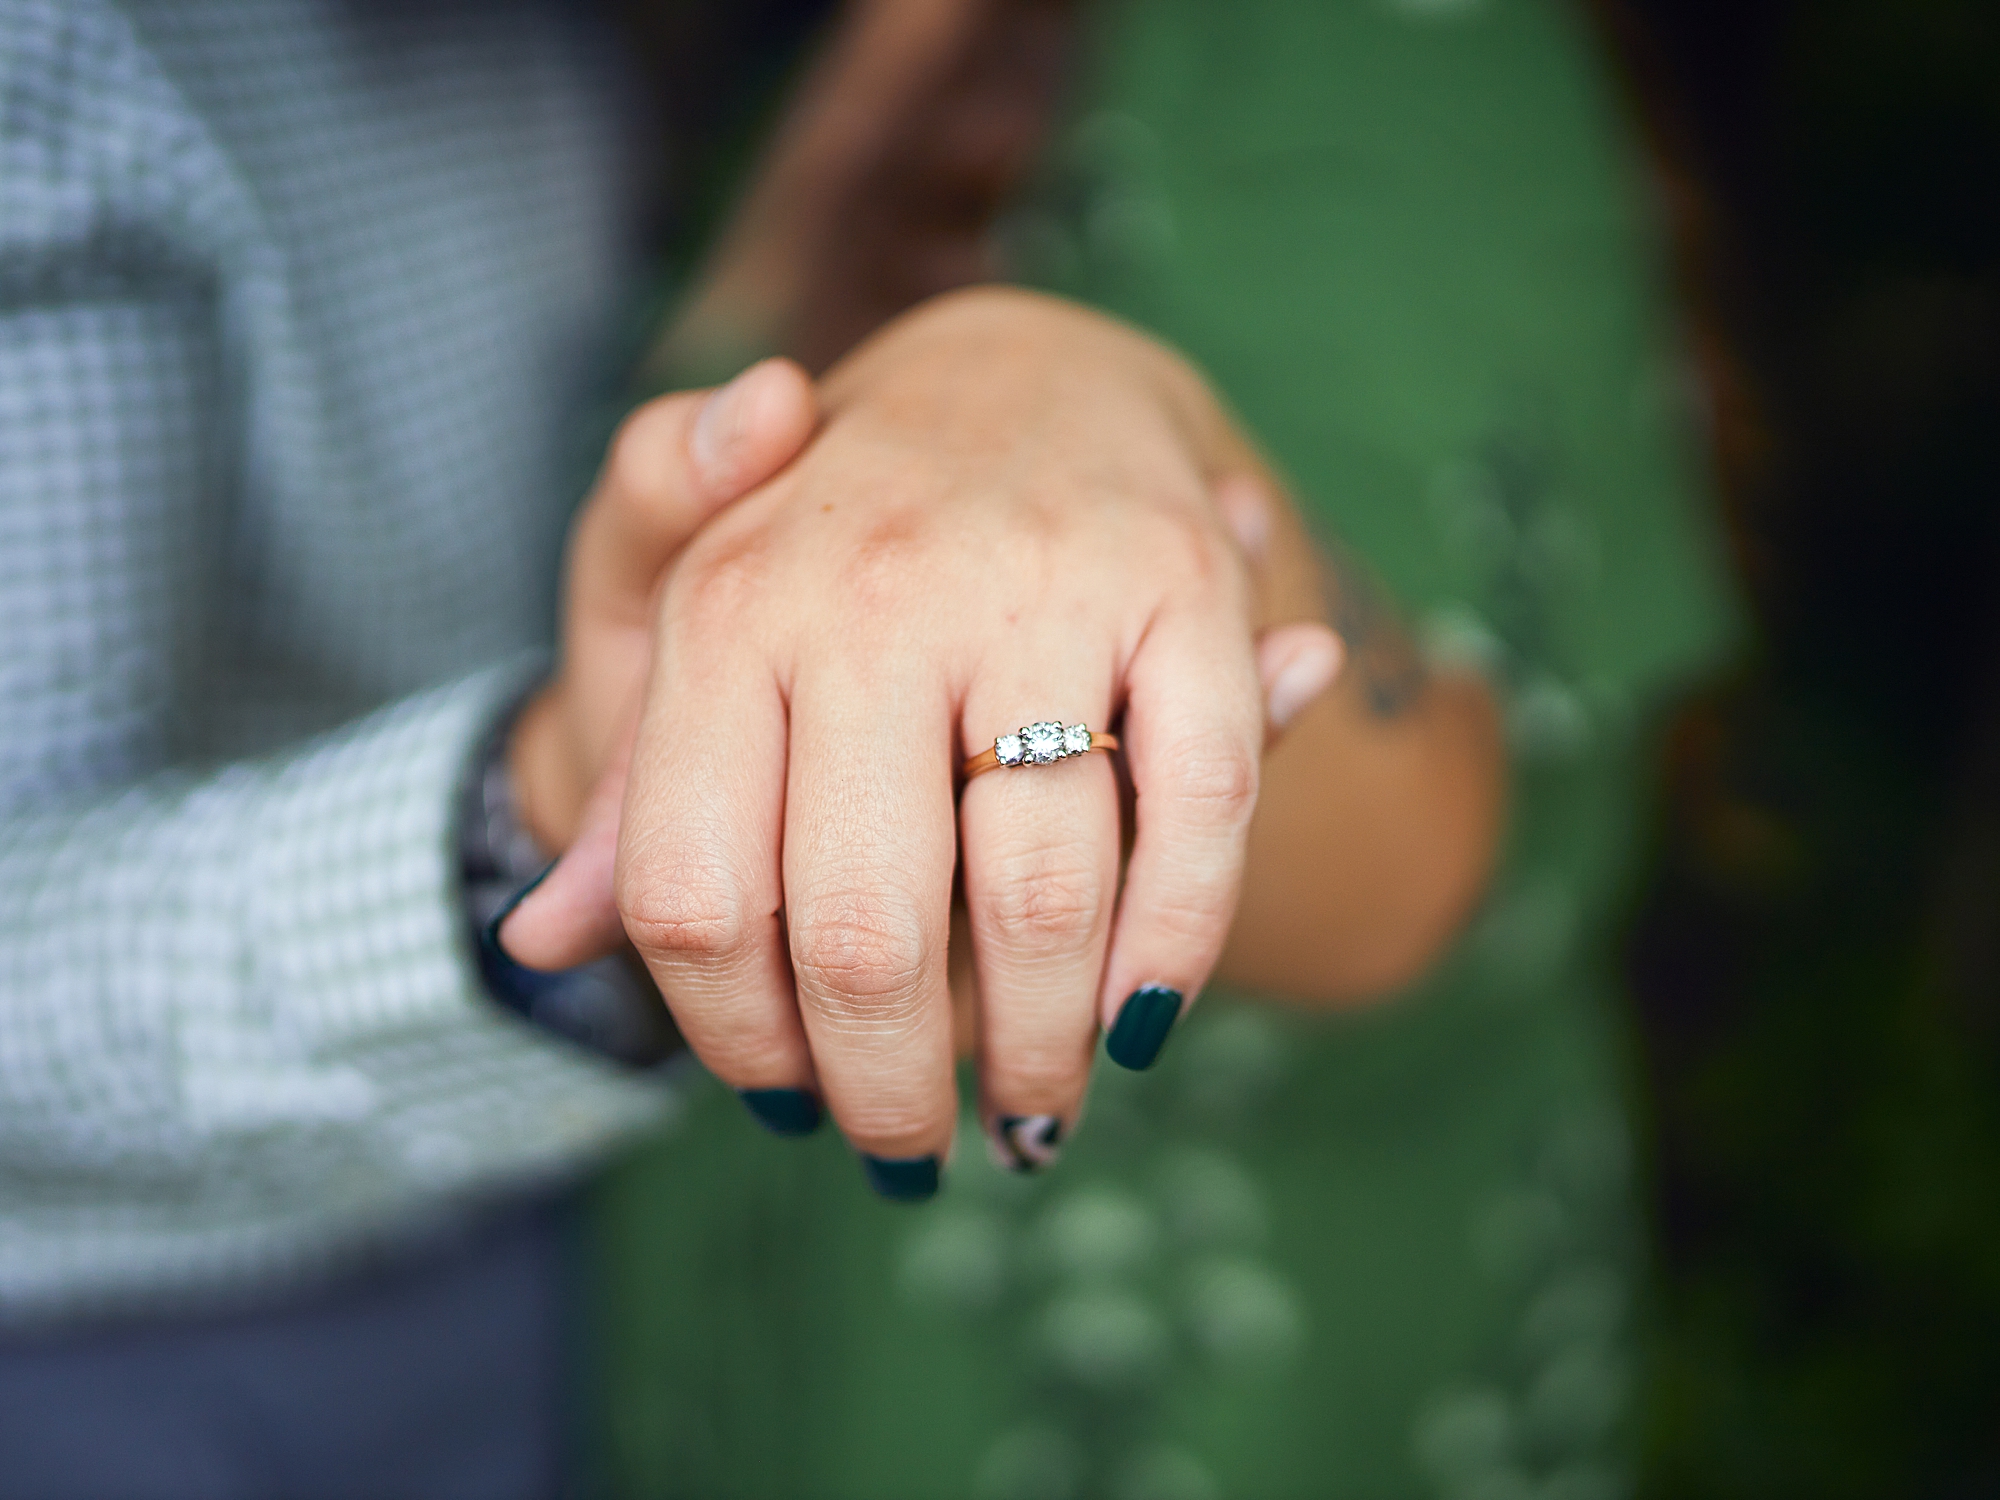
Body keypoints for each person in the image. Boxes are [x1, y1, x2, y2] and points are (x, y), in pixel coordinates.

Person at [0, 1, 1498, 1494]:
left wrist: (1053, 391)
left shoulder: (591, 54)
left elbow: (1438, 827)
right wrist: (542, 808)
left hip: (729, 1296)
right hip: (183, 1316)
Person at [582, 1, 1742, 1497]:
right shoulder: (810, 53)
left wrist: (1038, 389)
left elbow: (1425, 834)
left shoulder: (1373, 48)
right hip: (738, 1339)